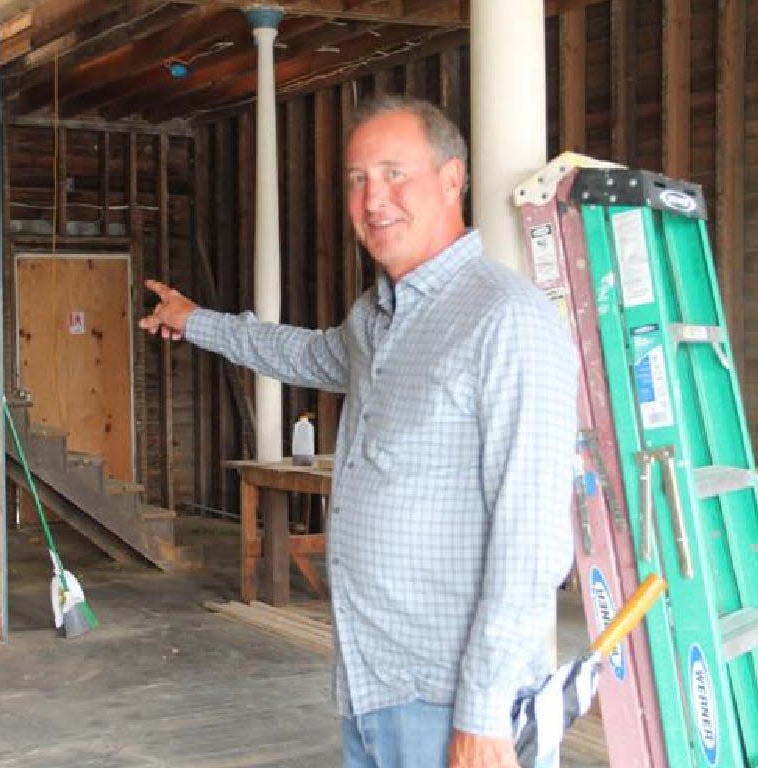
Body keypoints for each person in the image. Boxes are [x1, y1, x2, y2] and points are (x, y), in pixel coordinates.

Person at [140, 95, 577, 768]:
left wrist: (484, 714)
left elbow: (533, 540)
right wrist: (198, 321)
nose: (374, 198)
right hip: (372, 680)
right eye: (357, 179)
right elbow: (304, 354)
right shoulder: (376, 320)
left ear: (453, 179)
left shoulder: (506, 321)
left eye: (395, 173)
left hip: (452, 700)